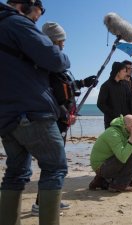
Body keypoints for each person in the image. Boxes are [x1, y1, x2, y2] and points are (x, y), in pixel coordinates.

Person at [0, 1, 70, 224]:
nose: (36, 20)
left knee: (16, 173)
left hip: (6, 116)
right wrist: (61, 54)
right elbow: (56, 60)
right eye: (37, 16)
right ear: (24, 5)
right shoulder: (17, 23)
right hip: (31, 111)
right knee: (55, 167)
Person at [27, 21, 97, 217]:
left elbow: (63, 86)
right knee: (53, 164)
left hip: (61, 119)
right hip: (55, 120)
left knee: (55, 163)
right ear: (52, 40)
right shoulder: (44, 63)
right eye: (61, 40)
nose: (64, 44)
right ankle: (41, 205)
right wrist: (66, 115)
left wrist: (83, 82)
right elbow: (48, 93)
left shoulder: (53, 63)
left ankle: (50, 199)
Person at [89, 115, 132, 192]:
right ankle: (117, 186)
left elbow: (130, 152)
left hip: (113, 163)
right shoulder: (113, 133)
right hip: (102, 166)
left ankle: (101, 181)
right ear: (125, 125)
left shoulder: (125, 131)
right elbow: (123, 157)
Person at [97, 61, 132, 129]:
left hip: (124, 122)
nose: (126, 73)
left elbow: (129, 98)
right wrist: (113, 114)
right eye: (124, 71)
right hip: (111, 122)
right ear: (118, 71)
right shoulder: (106, 85)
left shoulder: (125, 85)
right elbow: (100, 104)